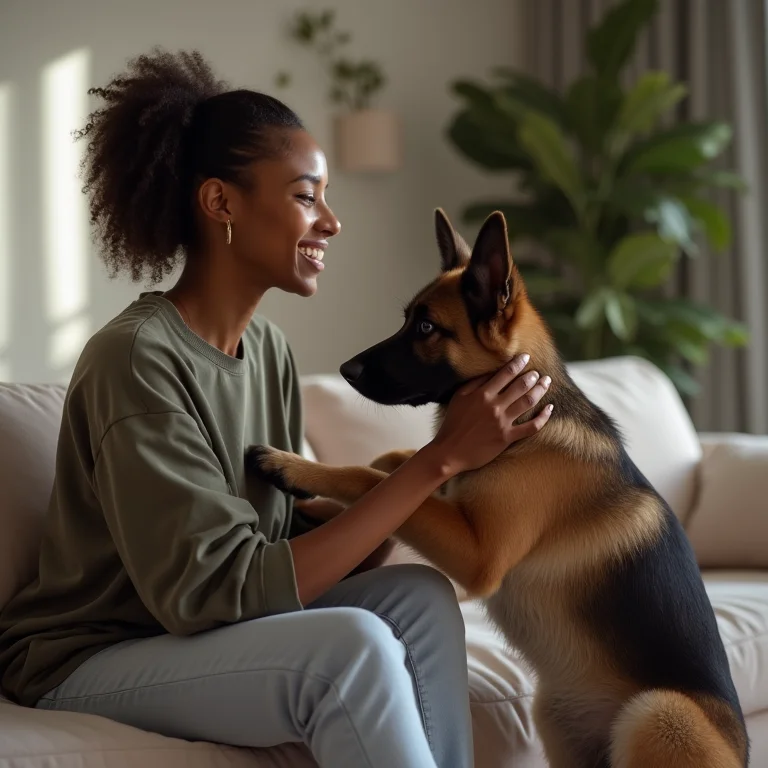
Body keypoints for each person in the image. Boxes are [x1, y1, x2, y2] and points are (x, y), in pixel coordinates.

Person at [0, 49, 553, 768]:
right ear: (221, 203)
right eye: (305, 196)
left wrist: (419, 489)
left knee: (418, 596)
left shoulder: (267, 351)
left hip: (197, 632)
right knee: (349, 649)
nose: (331, 222)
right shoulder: (136, 360)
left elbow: (285, 542)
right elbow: (209, 592)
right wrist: (436, 463)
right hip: (96, 654)